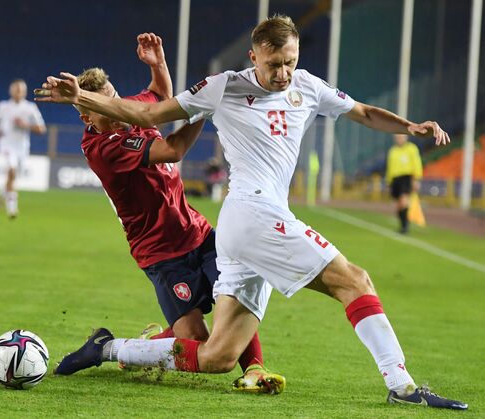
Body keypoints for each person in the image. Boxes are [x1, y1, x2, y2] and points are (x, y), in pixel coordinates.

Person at [35, 16, 467, 409]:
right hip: (250, 213)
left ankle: (108, 350)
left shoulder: (309, 86)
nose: (282, 73)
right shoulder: (224, 86)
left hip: (230, 228)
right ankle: (403, 385)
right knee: (354, 280)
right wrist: (85, 96)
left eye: (290, 63)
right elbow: (149, 113)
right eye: (274, 63)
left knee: (216, 355)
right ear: (254, 56)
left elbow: (364, 112)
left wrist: (409, 126)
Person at [52, 33, 284, 394]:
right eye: (104, 107)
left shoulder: (128, 111)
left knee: (236, 297)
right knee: (195, 338)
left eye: (115, 98)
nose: (117, 109)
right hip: (161, 254)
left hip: (199, 234)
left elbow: (158, 93)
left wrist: (157, 63)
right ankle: (116, 350)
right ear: (86, 116)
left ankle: (254, 368)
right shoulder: (102, 147)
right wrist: (206, 108)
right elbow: (173, 150)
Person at [0, 79, 46, 218]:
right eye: (16, 89)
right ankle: (12, 208)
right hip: (6, 144)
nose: (18, 92)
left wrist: (25, 125)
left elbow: (41, 129)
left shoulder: (30, 108)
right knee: (12, 170)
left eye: (21, 90)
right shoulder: (3, 106)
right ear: (11, 91)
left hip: (22, 147)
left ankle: (3, 192)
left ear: (25, 92)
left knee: (13, 176)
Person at [385, 134, 423, 234]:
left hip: (406, 177)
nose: (399, 139)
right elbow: (390, 167)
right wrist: (389, 182)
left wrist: (416, 179)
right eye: (397, 137)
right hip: (395, 179)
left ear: (406, 138)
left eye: (401, 137)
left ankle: (405, 226)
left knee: (403, 200)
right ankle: (402, 224)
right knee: (398, 205)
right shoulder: (392, 151)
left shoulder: (411, 149)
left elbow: (417, 163)